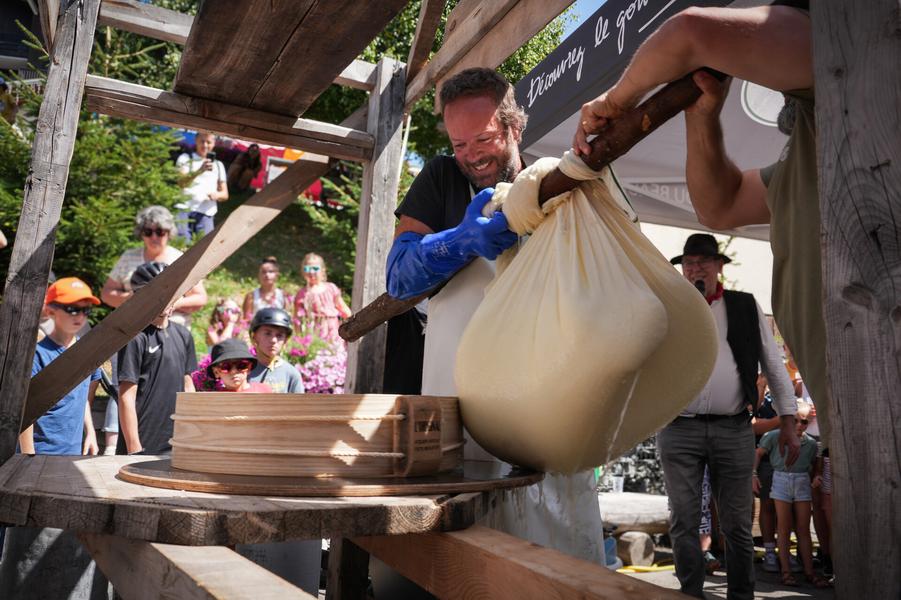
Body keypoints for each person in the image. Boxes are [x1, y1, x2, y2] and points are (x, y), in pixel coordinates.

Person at [572, 2, 827, 444]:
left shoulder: (844, 60)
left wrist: (611, 103)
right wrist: (703, 116)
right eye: (690, 261)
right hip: (850, 403)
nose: (696, 268)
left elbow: (689, 33)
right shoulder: (810, 146)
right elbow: (719, 206)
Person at [383, 67, 605, 570]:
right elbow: (397, 277)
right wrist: (458, 240)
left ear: (513, 129)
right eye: (459, 143)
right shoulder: (442, 178)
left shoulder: (553, 184)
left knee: (553, 553)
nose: (471, 155)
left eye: (482, 139)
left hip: (549, 408)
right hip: (462, 413)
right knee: (466, 556)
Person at [657, 233, 799, 599]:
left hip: (733, 427)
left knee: (736, 522)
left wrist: (788, 421)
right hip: (679, 428)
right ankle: (690, 592)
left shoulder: (744, 305)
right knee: (684, 520)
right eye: (689, 263)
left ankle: (741, 594)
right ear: (682, 269)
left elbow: (774, 365)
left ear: (719, 267)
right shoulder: (669, 306)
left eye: (704, 262)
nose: (695, 269)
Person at [0, 278, 109, 599]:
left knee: (56, 533)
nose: (80, 316)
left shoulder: (85, 352)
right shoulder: (36, 354)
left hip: (70, 456)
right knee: (22, 536)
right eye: (72, 308)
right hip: (39, 456)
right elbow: (24, 410)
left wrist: (90, 431)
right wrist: (28, 457)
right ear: (50, 310)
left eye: (86, 310)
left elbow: (82, 399)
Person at [117, 262, 197, 455]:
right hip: (142, 443)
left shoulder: (183, 335)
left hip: (176, 441)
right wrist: (134, 447)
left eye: (173, 293)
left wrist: (193, 434)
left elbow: (188, 387)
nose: (168, 300)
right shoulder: (135, 338)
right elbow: (126, 396)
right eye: (161, 295)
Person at [754, 401, 831, 588]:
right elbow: (758, 452)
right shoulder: (773, 436)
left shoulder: (812, 443)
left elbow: (816, 464)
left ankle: (809, 572)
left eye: (803, 422)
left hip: (802, 481)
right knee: (783, 526)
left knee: (803, 528)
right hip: (780, 480)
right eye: (794, 420)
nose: (798, 425)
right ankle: (786, 571)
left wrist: (817, 476)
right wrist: (753, 474)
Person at [101, 205, 207, 329]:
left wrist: (171, 304)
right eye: (148, 232)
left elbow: (200, 298)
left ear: (169, 233)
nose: (154, 237)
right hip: (131, 330)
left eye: (160, 232)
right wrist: (132, 299)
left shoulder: (180, 259)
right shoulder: (128, 257)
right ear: (141, 234)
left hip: (171, 329)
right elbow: (106, 294)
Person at [175, 130, 228, 239]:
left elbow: (225, 194)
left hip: (206, 212)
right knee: (180, 247)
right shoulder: (185, 158)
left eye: (208, 142)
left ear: (214, 143)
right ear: (196, 141)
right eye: (202, 141)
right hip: (184, 209)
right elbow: (180, 183)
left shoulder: (218, 165)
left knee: (202, 250)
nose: (205, 145)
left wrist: (216, 195)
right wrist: (199, 171)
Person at [293, 253, 351, 344]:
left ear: (323, 270)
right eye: (307, 269)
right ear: (303, 272)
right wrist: (300, 340)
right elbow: (297, 320)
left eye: (315, 268)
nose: (311, 272)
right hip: (313, 337)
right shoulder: (302, 294)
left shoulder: (331, 288)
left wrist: (351, 325)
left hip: (333, 334)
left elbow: (344, 309)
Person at [248, 308, 304, 393]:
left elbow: (300, 405)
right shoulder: (243, 370)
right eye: (267, 333)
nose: (273, 340)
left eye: (279, 335)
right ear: (254, 336)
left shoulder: (291, 374)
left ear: (285, 340)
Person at [206, 339, 271, 393]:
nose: (234, 371)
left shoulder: (264, 391)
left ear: (249, 368)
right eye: (225, 367)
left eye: (242, 365)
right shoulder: (215, 400)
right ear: (216, 372)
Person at [243, 256, 289, 321]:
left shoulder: (283, 295)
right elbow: (246, 320)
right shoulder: (251, 296)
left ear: (277, 275)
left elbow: (286, 318)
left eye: (271, 272)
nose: (267, 275)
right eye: (263, 272)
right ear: (259, 275)